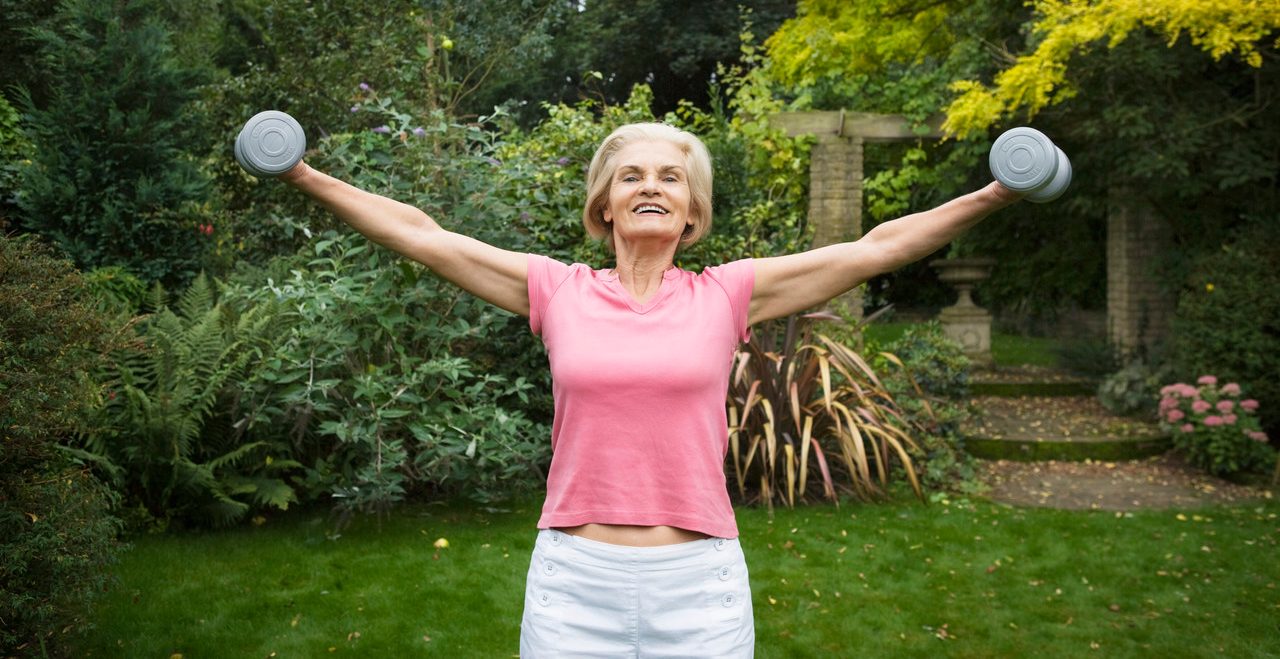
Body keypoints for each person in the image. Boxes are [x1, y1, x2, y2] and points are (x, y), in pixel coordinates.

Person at [279, 121, 1021, 657]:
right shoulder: (555, 289)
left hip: (697, 583)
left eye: (671, 177)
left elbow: (875, 248)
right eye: (631, 176)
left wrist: (992, 192)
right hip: (575, 581)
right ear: (604, 206)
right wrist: (303, 175)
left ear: (692, 212)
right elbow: (423, 235)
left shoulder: (727, 294)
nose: (651, 187)